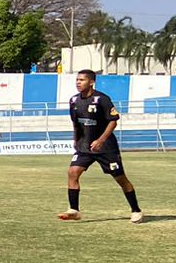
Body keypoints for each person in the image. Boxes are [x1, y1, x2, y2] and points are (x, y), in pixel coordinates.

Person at [59, 69, 143, 223]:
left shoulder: (102, 99)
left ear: (91, 82)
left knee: (121, 179)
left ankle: (136, 210)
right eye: (77, 80)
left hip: (106, 148)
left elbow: (113, 120)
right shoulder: (74, 101)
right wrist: (76, 140)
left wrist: (101, 140)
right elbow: (75, 123)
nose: (78, 82)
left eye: (82, 80)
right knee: (73, 172)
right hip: (84, 146)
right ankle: (74, 210)